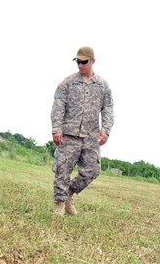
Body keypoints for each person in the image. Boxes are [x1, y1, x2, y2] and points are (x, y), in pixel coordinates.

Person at [50, 46, 114, 216]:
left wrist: (105, 130)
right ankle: (60, 204)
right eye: (78, 61)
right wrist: (56, 129)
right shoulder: (68, 83)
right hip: (68, 135)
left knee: (92, 170)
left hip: (91, 136)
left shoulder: (102, 86)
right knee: (62, 169)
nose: (80, 65)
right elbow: (57, 106)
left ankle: (69, 193)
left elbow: (108, 109)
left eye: (84, 62)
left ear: (92, 61)